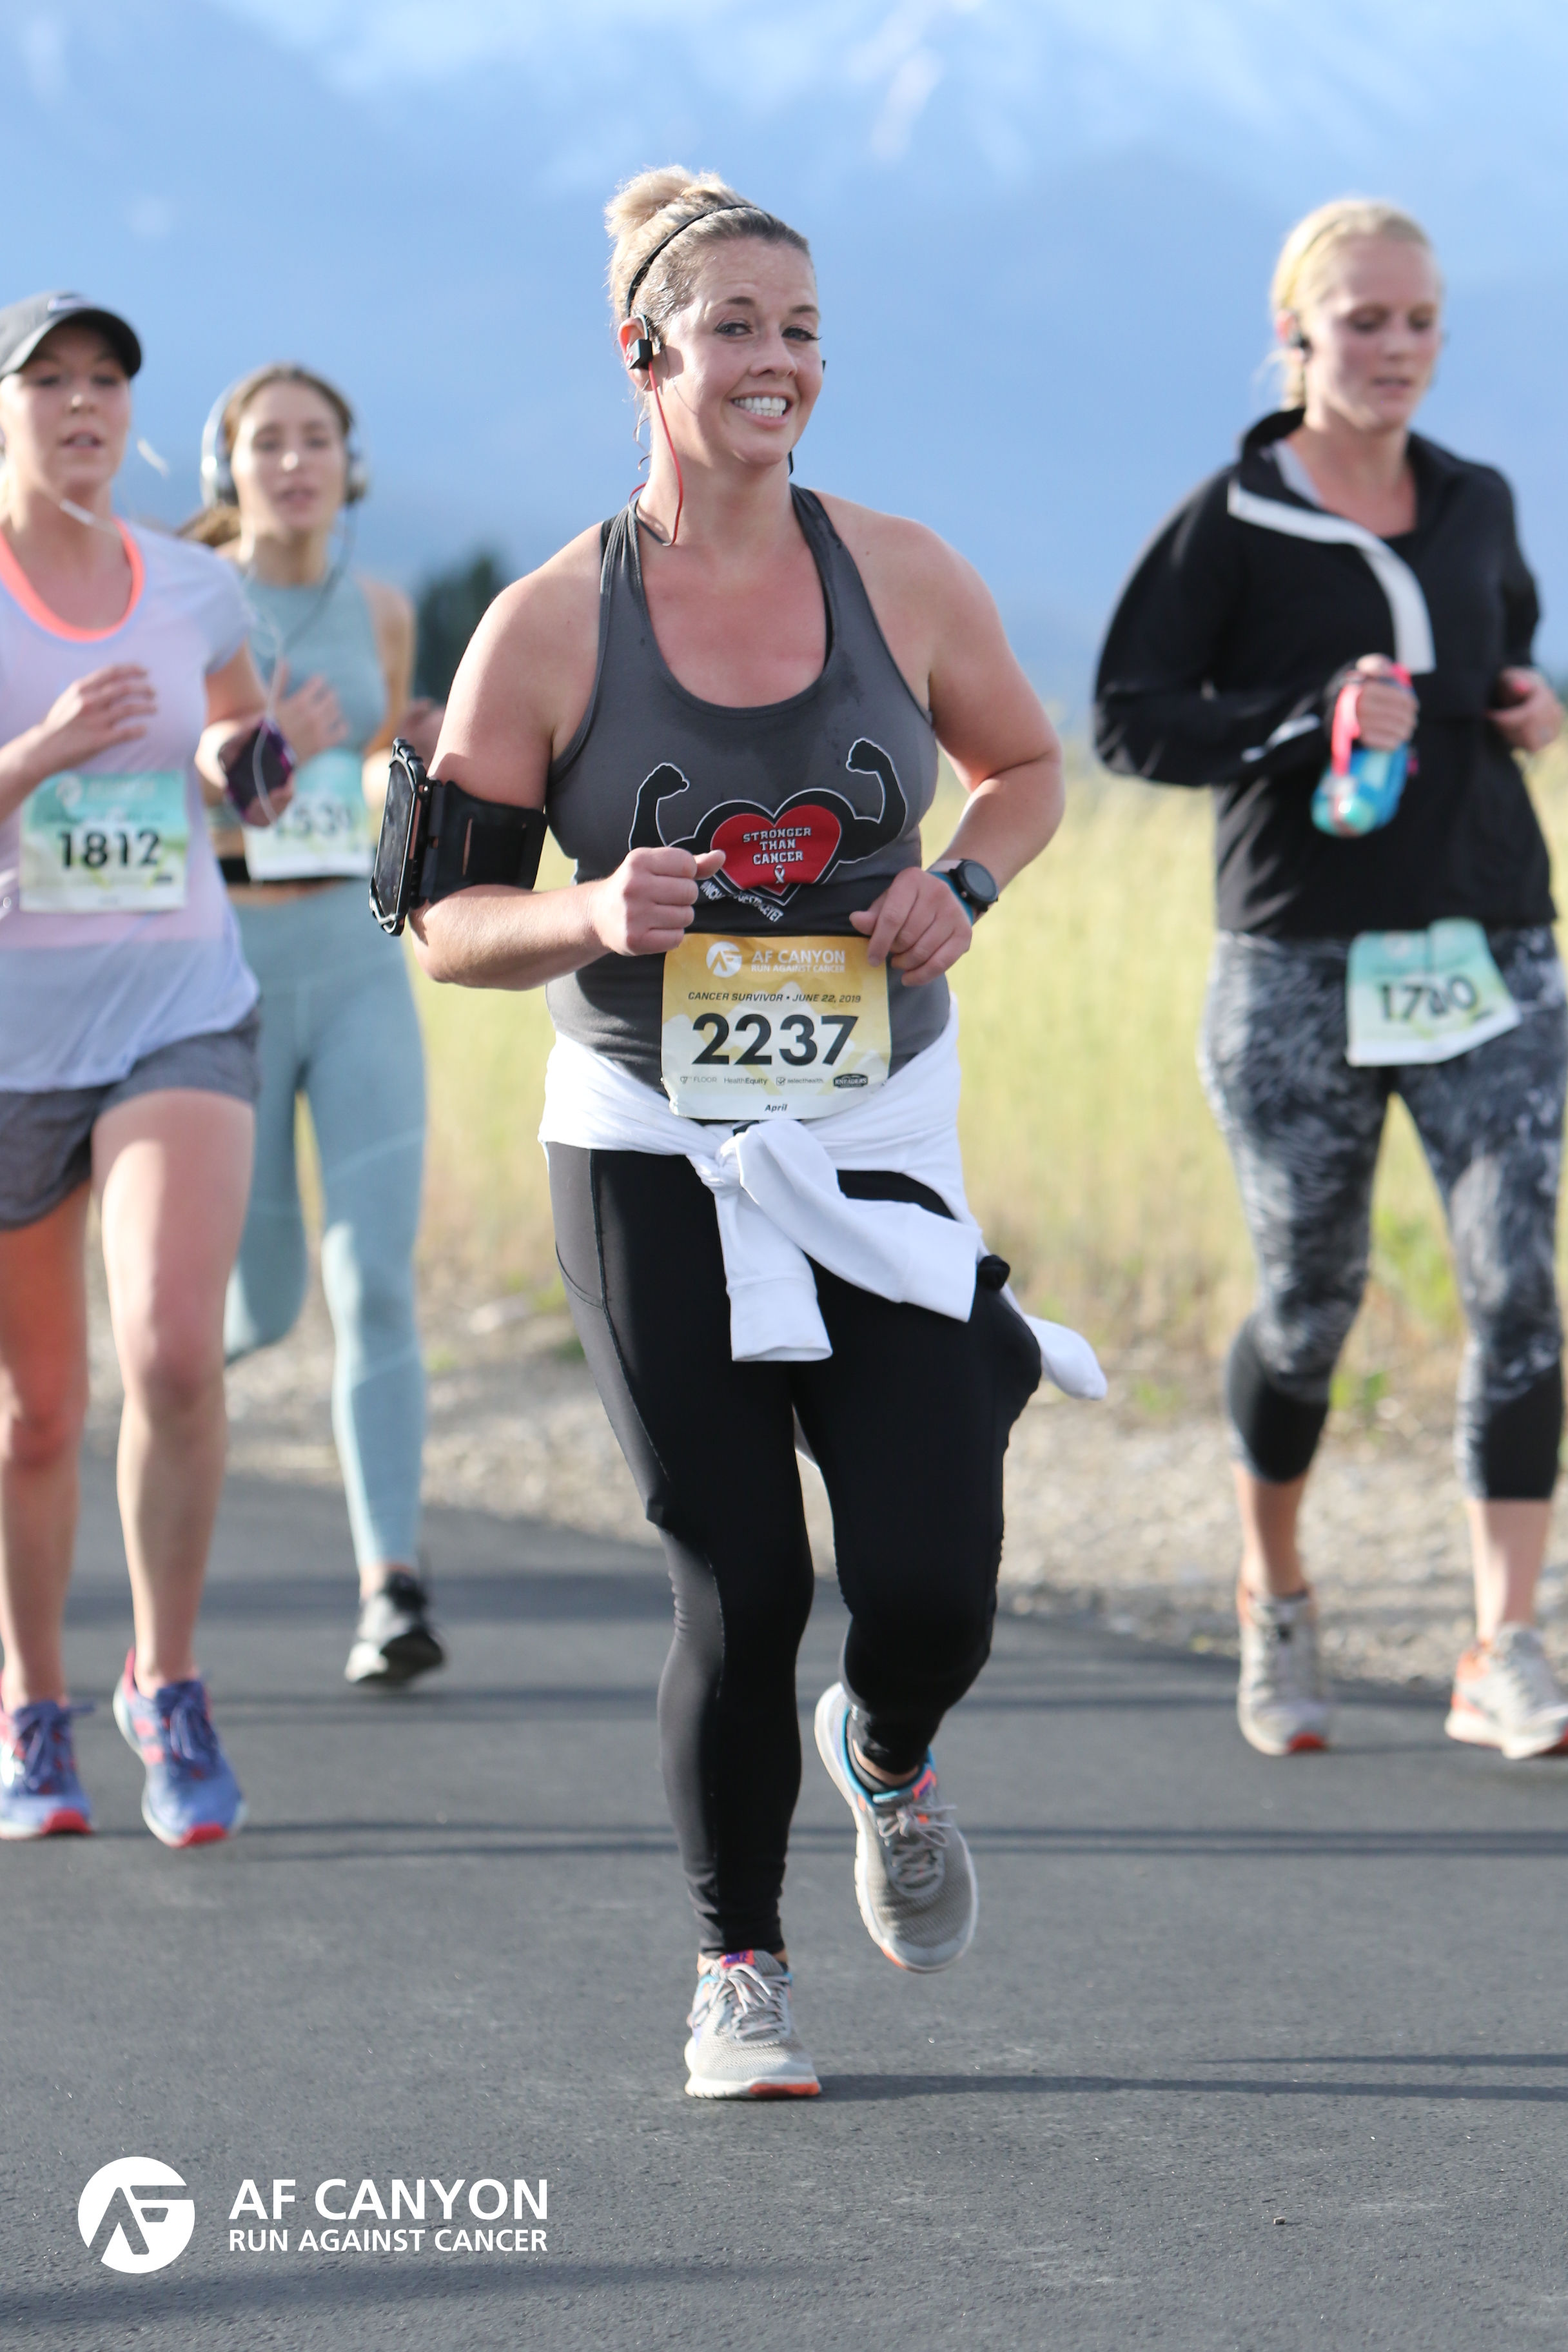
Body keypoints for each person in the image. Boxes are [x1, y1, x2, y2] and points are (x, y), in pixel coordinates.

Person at [407, 168, 1101, 2097]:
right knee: (744, 1576)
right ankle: (742, 1968)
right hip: (648, 1140)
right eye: (735, 328)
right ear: (642, 354)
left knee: (933, 1582)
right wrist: (582, 914)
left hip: (874, 1126)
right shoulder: (549, 626)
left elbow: (1025, 768)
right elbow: (446, 921)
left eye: (801, 330)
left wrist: (965, 883)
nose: (776, 361)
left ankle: (885, 1749)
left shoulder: (904, 573)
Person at [1094, 199, 1568, 1762]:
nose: (1396, 349)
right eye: (1364, 320)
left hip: (1487, 945)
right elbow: (1129, 721)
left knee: (1517, 1291)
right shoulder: (1232, 519)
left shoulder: (1476, 498)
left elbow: (1506, 650)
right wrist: (1307, 716)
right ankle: (1275, 1593)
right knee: (1311, 1305)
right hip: (1295, 961)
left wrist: (1529, 705)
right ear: (1294, 331)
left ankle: (1502, 1644)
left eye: (1420, 321)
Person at [0, 292, 291, 1843]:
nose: (82, 403)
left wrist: (247, 761)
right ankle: (30, 1702)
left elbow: (231, 735)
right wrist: (39, 755)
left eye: (106, 379)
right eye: (47, 380)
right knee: (38, 1413)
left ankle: (164, 1679)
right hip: (12, 1045)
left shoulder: (193, 585)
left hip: (178, 1004)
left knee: (177, 1353)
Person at [185, 368, 445, 1687]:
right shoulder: (189, 605)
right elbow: (139, 793)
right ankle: (141, 1402)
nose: (294, 463)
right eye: (268, 442)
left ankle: (391, 1586)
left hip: (352, 960)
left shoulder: (383, 610)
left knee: (373, 1281)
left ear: (352, 465)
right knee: (260, 1306)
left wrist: (424, 749)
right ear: (227, 468)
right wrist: (265, 748)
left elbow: (377, 769)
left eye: (317, 441)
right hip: (221, 969)